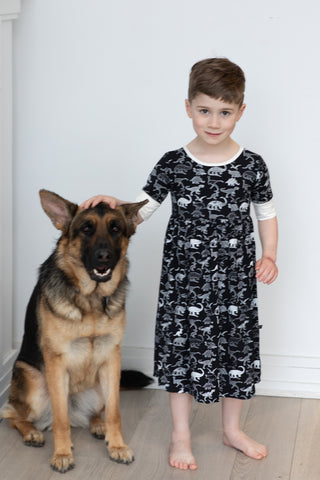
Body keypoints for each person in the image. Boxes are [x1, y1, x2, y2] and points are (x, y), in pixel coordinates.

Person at [81, 58, 278, 471]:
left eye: (225, 112)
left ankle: (232, 429)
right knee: (181, 354)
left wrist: (270, 254)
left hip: (234, 284)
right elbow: (140, 210)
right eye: (204, 110)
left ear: (241, 112)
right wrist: (109, 206)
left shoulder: (251, 165)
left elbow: (265, 213)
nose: (213, 121)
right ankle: (181, 435)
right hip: (183, 285)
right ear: (188, 107)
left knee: (237, 353)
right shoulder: (174, 163)